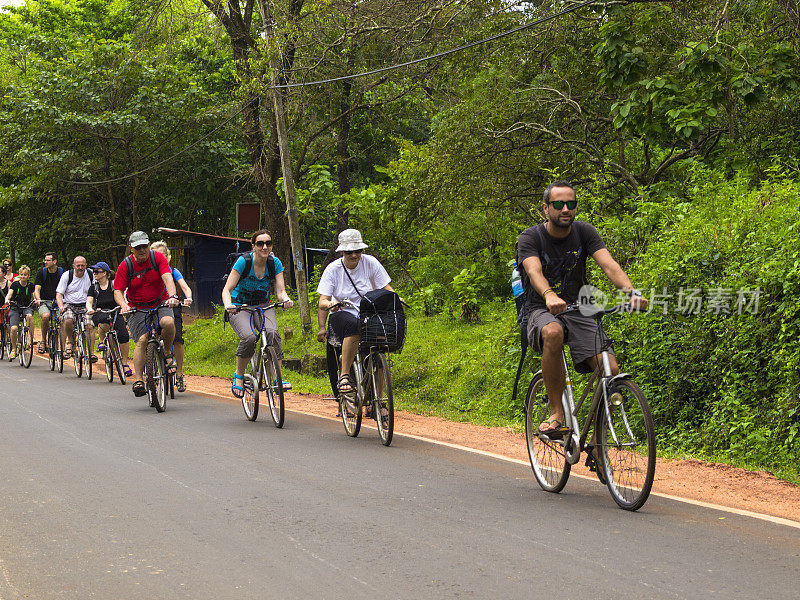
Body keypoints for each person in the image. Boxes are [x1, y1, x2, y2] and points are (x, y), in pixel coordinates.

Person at [516, 180, 648, 438]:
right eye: (558, 204)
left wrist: (631, 292)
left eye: (571, 204)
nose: (565, 209)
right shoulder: (530, 237)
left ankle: (597, 437)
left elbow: (609, 265)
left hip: (578, 308)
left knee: (609, 367)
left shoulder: (584, 232)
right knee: (552, 332)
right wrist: (549, 295)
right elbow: (534, 271)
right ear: (546, 208)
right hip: (539, 307)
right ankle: (556, 414)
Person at [316, 229, 396, 395]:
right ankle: (344, 374)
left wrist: (396, 298)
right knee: (353, 326)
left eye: (358, 251)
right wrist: (331, 304)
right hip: (343, 312)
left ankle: (378, 399)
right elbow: (322, 301)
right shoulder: (333, 269)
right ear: (342, 252)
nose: (354, 255)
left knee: (379, 347)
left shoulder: (371, 263)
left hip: (368, 313)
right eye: (349, 252)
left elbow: (386, 287)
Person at [221, 229, 294, 398]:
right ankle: (239, 375)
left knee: (273, 332)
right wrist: (228, 305)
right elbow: (227, 289)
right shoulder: (243, 262)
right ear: (253, 246)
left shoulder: (274, 263)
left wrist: (286, 300)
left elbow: (281, 291)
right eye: (260, 243)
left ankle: (276, 379)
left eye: (268, 243)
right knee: (249, 337)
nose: (264, 247)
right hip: (240, 306)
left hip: (263, 305)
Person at [113, 231, 179, 398]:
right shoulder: (125, 265)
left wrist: (172, 296)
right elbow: (118, 291)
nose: (142, 250)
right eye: (138, 248)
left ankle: (167, 354)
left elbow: (167, 278)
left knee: (168, 322)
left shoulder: (158, 258)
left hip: (160, 302)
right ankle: (139, 380)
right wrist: (124, 305)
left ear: (149, 245)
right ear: (131, 249)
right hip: (136, 307)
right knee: (142, 340)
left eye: (144, 246)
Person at [151, 241, 193, 392]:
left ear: (167, 257)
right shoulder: (148, 271)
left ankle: (180, 374)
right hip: (152, 307)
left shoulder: (173, 271)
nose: (159, 258)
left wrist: (188, 296)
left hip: (172, 306)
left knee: (178, 339)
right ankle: (151, 368)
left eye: (162, 255)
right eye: (156, 255)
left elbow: (184, 286)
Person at [86, 261, 132, 378]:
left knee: (124, 336)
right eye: (94, 271)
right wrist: (90, 309)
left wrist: (124, 306)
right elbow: (89, 301)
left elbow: (121, 296)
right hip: (100, 311)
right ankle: (102, 341)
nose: (94, 273)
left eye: (97, 271)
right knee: (104, 321)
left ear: (105, 273)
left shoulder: (114, 284)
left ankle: (124, 363)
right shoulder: (94, 287)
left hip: (115, 311)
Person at [55, 256, 95, 362]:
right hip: (69, 304)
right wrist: (61, 307)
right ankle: (71, 341)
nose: (80, 268)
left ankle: (91, 353)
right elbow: (59, 294)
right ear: (74, 266)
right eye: (78, 266)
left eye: (83, 265)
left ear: (86, 265)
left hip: (86, 305)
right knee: (68, 320)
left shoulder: (91, 274)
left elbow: (97, 290)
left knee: (90, 326)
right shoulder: (67, 275)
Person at [33, 251, 63, 354]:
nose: (45, 262)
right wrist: (38, 299)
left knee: (63, 319)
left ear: (54, 261)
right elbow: (37, 289)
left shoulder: (61, 272)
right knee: (45, 316)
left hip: (58, 301)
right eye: (45, 260)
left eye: (48, 260)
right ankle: (43, 341)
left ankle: (64, 345)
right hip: (44, 301)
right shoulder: (42, 272)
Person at [6, 265, 35, 359]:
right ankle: (13, 349)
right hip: (15, 307)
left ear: (28, 276)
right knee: (14, 328)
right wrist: (7, 300)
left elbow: (34, 295)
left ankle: (31, 338)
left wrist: (36, 300)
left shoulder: (31, 285)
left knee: (29, 316)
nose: (23, 276)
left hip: (26, 306)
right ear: (19, 275)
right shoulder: (15, 285)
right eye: (21, 275)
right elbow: (9, 294)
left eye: (25, 275)